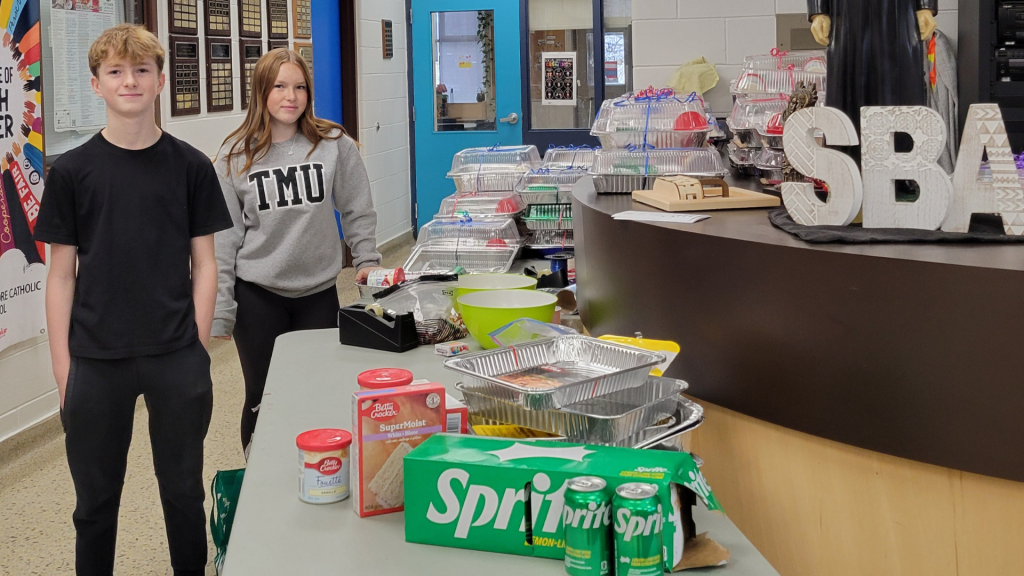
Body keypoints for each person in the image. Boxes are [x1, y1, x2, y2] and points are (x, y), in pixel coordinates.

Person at [34, 24, 232, 576]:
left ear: (161, 81)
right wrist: (62, 367)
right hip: (95, 361)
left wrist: (194, 345)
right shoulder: (71, 172)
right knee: (95, 505)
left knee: (181, 494)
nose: (130, 81)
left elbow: (206, 262)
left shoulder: (191, 166)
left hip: (175, 355)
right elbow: (61, 276)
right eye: (116, 71)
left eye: (141, 70)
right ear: (95, 84)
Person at [213, 48, 382, 453]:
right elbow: (224, 238)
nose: (291, 96)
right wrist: (221, 310)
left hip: (317, 293)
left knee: (316, 388)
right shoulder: (234, 155)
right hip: (257, 294)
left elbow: (358, 208)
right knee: (262, 394)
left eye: (300, 87)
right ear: (261, 92)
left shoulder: (332, 143)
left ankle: (315, 472)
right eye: (279, 86)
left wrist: (369, 264)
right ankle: (261, 480)